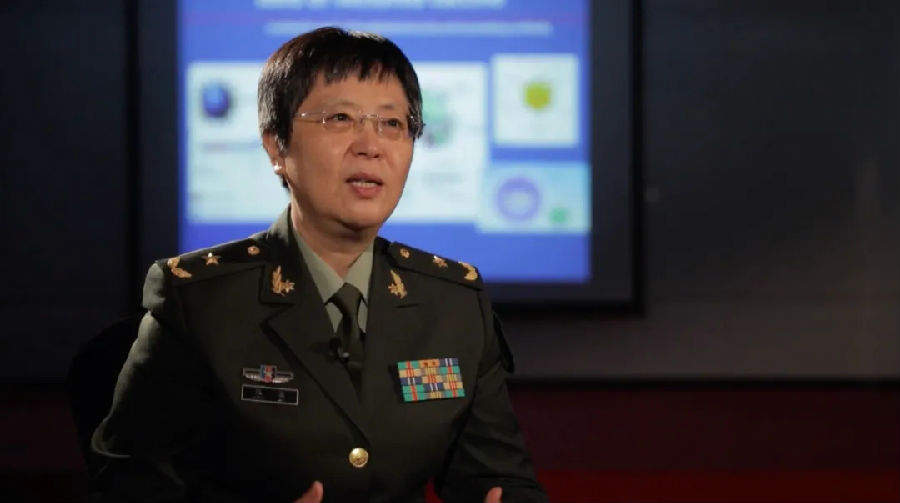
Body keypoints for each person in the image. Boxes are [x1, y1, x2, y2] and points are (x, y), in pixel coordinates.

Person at [90, 27, 546, 502]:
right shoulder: (200, 301)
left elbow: (501, 479)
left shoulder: (453, 304)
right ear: (276, 147)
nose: (371, 145)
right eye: (340, 118)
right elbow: (126, 486)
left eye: (392, 123)